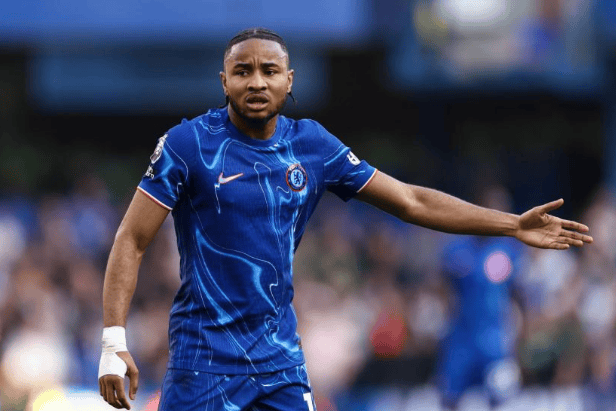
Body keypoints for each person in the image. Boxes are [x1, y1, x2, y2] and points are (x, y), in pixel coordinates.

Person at [97, 27, 593, 411]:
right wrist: (113, 342)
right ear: (224, 81)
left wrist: (512, 225)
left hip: (278, 362)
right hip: (202, 363)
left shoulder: (312, 146)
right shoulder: (188, 145)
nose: (257, 81)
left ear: (289, 81)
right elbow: (131, 240)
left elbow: (411, 201)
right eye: (242, 71)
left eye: (269, 70)